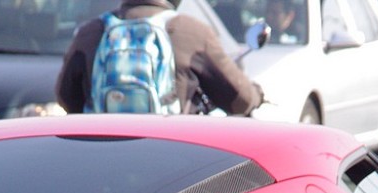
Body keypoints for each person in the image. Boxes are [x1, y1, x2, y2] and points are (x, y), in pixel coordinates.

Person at [56, 0, 264, 115]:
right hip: (169, 160)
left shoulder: (92, 32)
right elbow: (239, 101)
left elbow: (66, 98)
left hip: (103, 159)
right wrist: (257, 94)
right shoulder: (191, 32)